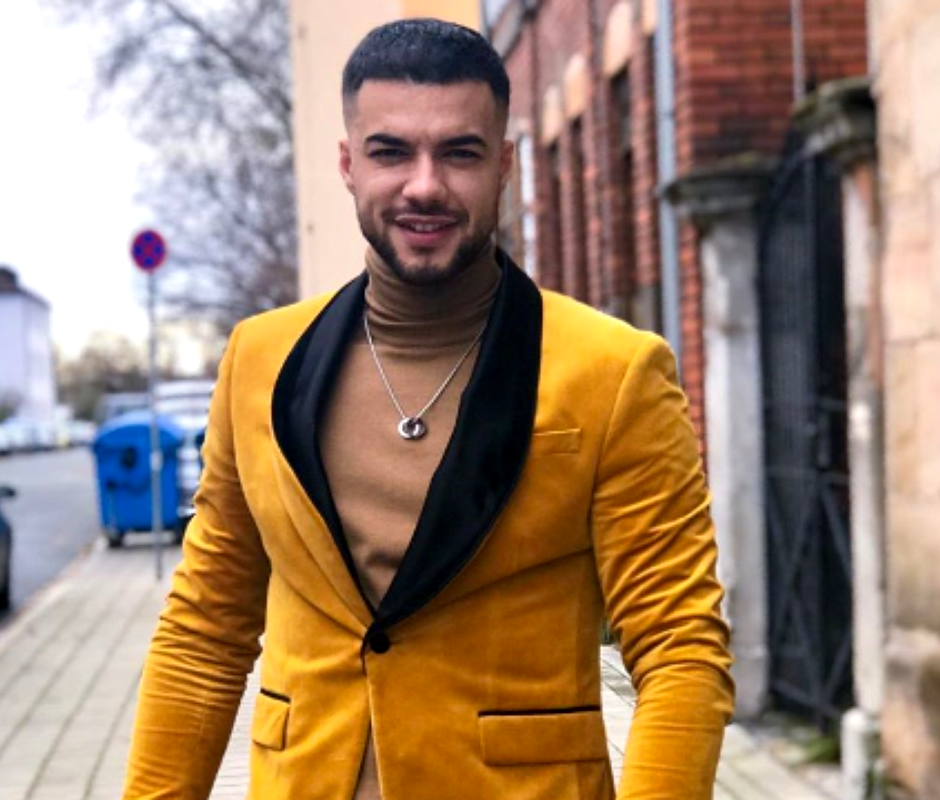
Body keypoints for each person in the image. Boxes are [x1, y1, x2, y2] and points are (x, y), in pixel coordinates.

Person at [124, 18, 733, 800]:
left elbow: (681, 649)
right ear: (348, 163)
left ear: (504, 165)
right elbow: (204, 631)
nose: (424, 185)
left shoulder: (614, 373)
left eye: (459, 152)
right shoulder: (260, 359)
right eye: (390, 152)